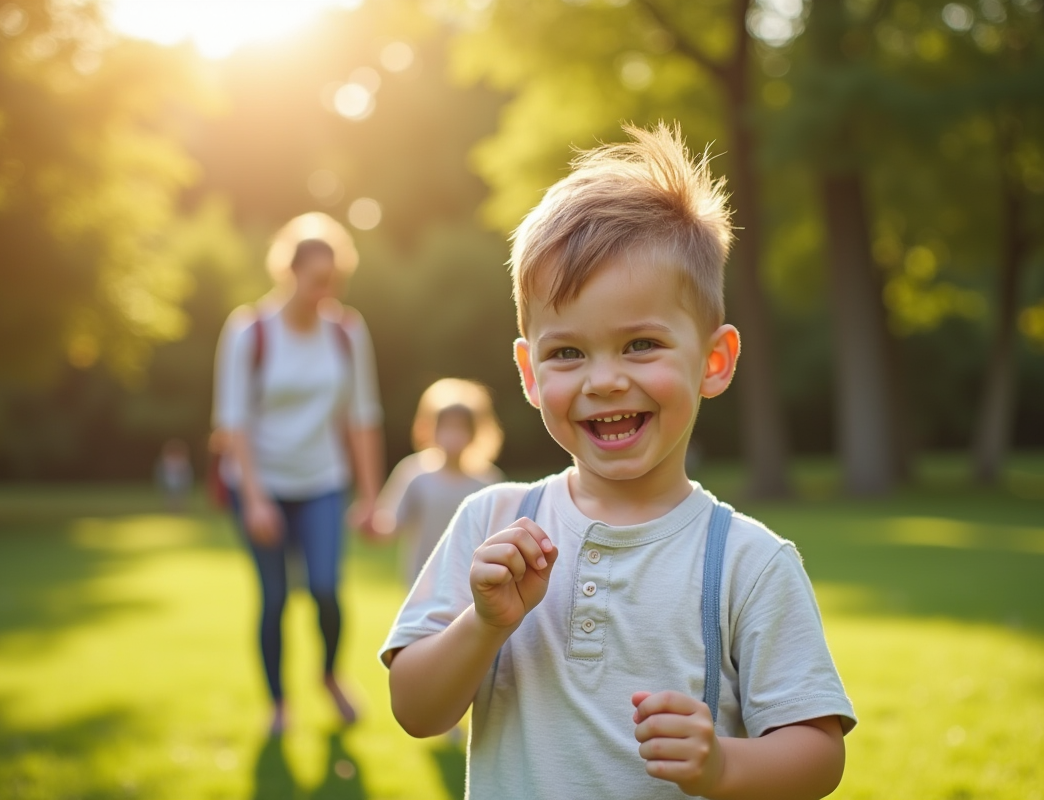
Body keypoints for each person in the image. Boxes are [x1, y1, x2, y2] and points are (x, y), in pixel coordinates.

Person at [379, 123, 856, 799]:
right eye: (567, 353)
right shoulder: (492, 522)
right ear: (529, 372)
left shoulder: (747, 561)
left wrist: (724, 764)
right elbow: (415, 710)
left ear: (713, 361)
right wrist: (485, 624)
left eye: (640, 344)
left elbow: (818, 754)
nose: (603, 380)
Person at [213, 212, 384, 733]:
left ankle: (330, 676)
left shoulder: (346, 331)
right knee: (274, 597)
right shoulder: (250, 332)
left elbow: (362, 418)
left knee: (327, 588)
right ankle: (278, 704)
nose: (324, 292)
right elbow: (232, 423)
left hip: (323, 483)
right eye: (316, 282)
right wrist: (257, 498)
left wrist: (371, 497)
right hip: (260, 484)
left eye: (332, 282)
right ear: (289, 273)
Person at [375, 378, 505, 585]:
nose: (453, 435)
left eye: (460, 428)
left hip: (468, 582)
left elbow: (498, 533)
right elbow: (392, 523)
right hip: (421, 579)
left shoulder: (487, 482)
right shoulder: (416, 474)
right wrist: (373, 524)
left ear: (474, 433)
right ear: (432, 429)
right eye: (446, 427)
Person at [154, 438, 194, 512]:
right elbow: (160, 472)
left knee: (179, 495)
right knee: (170, 495)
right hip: (169, 480)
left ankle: (179, 507)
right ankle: (171, 508)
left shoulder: (183, 461)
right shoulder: (166, 460)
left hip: (180, 480)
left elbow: (187, 472)